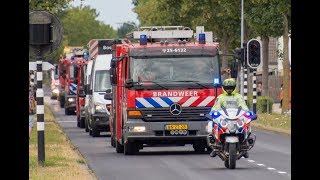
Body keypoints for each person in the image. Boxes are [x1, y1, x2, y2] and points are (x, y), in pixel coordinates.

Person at [208, 78, 249, 158]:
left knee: (247, 122)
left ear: (234, 87)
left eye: (231, 87)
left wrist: (248, 112)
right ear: (224, 88)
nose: (229, 89)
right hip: (224, 118)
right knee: (213, 123)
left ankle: (244, 146)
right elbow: (215, 107)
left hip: (236, 118)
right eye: (227, 88)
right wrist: (212, 113)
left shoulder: (239, 97)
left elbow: (243, 106)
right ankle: (215, 145)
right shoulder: (220, 97)